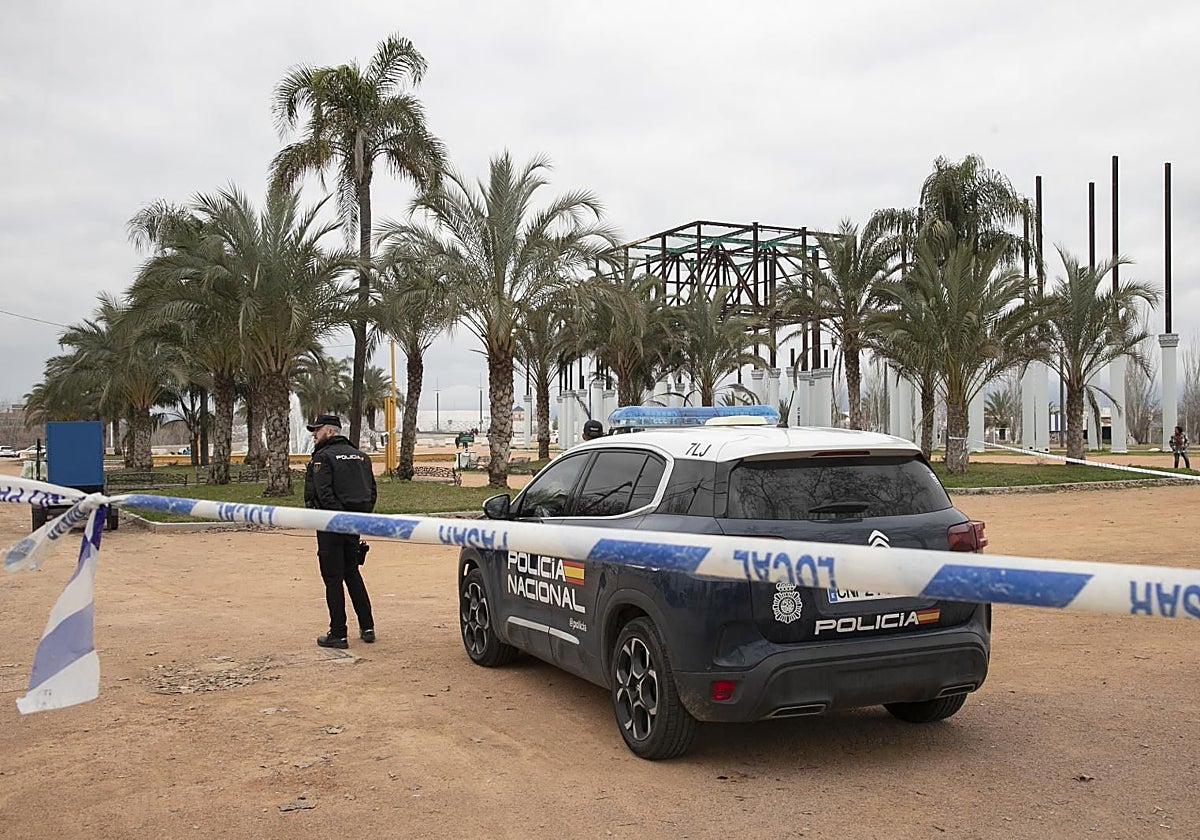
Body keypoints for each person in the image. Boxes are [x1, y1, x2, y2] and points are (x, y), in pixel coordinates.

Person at [303, 414, 377, 649]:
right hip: (354, 524)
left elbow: (322, 494)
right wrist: (357, 520)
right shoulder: (362, 456)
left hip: (331, 525)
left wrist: (337, 519)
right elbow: (371, 491)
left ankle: (338, 633)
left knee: (333, 579)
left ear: (331, 431)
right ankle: (367, 627)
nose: (314, 434)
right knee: (352, 573)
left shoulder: (323, 457)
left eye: (318, 430)